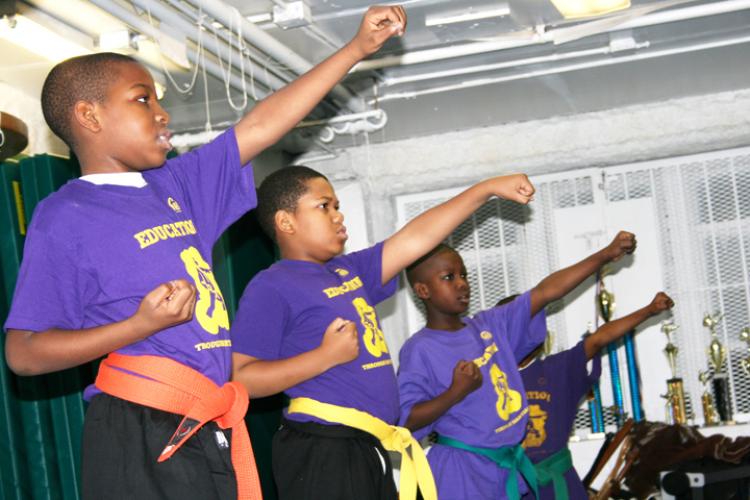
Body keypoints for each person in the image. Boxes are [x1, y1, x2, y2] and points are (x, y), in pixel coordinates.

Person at [3, 6, 407, 499]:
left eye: (158, 98)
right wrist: (139, 325)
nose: (162, 112)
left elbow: (261, 125)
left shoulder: (176, 185)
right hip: (139, 427)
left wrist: (355, 49)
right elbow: (23, 352)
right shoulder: (65, 214)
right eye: (142, 99)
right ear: (89, 116)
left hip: (204, 418)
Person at [230, 165, 535, 500]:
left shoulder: (347, 271)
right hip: (323, 447)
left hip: (366, 444)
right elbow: (244, 379)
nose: (337, 216)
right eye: (324, 206)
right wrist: (325, 357)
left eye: (338, 206)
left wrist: (485, 189)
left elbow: (416, 238)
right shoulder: (272, 285)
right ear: (286, 222)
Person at [397, 231, 637, 499]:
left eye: (464, 275)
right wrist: (456, 391)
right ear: (423, 290)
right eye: (449, 277)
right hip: (463, 474)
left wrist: (604, 255)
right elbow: (406, 419)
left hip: (505, 468)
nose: (462, 284)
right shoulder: (420, 349)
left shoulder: (489, 325)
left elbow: (546, 291)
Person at [520, 291, 674, 500]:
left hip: (560, 488)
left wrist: (648, 311)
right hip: (514, 488)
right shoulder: (489, 379)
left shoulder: (557, 369)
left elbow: (599, 339)